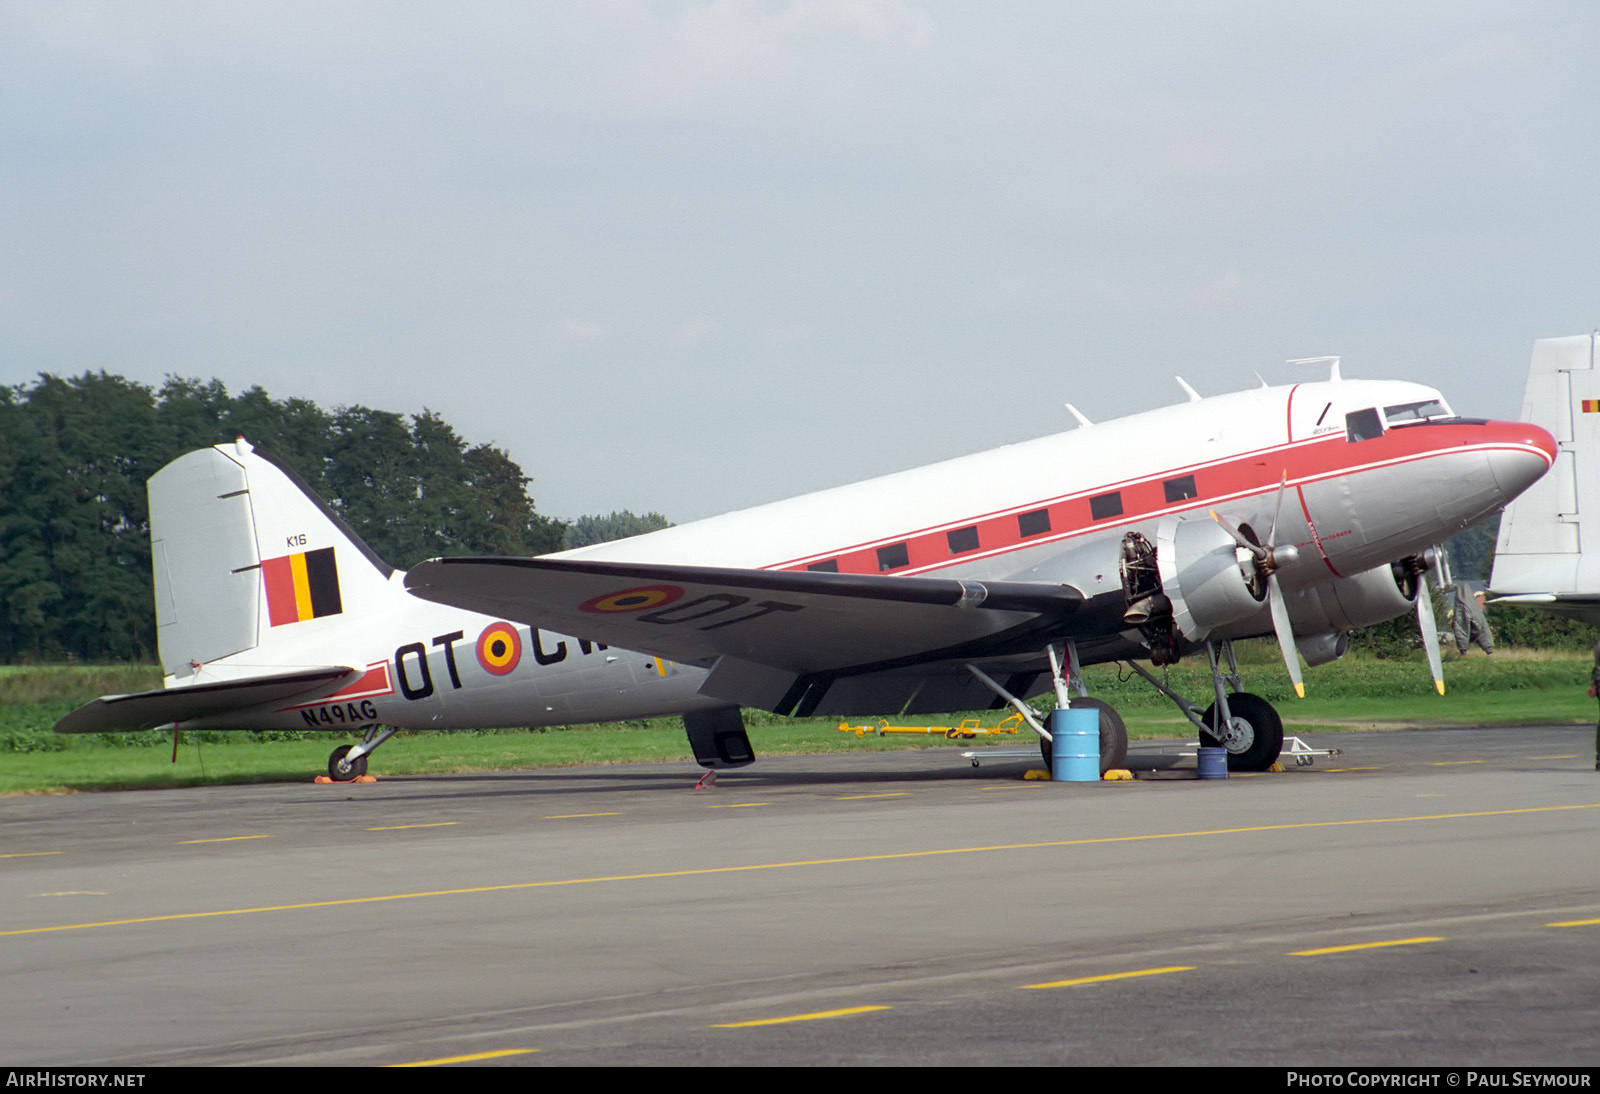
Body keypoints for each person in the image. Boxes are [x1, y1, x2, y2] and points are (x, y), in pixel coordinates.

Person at [1453, 582, 1494, 655]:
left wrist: (1462, 648)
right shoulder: (1474, 605)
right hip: (1476, 618)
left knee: (1462, 628)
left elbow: (1461, 628)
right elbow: (1484, 628)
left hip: (1468, 616)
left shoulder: (1461, 606)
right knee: (1482, 628)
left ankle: (1463, 652)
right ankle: (1489, 651)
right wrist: (1488, 647)